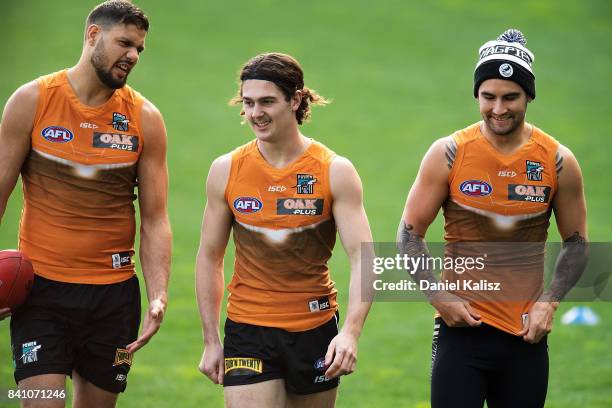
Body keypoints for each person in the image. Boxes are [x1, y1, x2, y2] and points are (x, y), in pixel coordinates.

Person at [397, 29, 587, 408]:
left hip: (526, 338)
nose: (498, 108)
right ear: (477, 95)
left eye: (510, 97)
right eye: (488, 96)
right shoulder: (449, 153)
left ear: (529, 95)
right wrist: (439, 297)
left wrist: (549, 303)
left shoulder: (556, 161)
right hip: (460, 333)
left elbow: (577, 245)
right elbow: (409, 235)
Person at [0, 1, 171, 406]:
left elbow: (155, 218)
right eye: (125, 43)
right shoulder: (32, 101)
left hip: (113, 297)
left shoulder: (145, 119)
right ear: (94, 36)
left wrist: (159, 292)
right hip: (40, 292)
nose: (132, 55)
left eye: (139, 49)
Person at [196, 52, 374, 408]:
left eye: (267, 102)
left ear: (295, 100)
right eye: (248, 103)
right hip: (249, 327)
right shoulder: (226, 170)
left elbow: (364, 257)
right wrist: (211, 339)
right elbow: (209, 256)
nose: (255, 113)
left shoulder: (334, 171)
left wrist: (350, 332)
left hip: (314, 328)